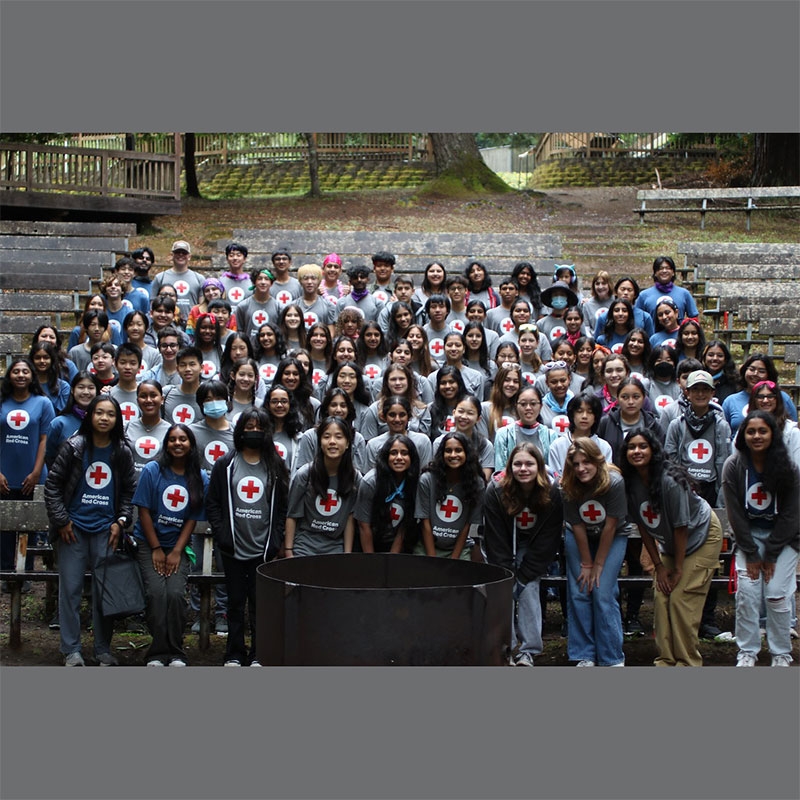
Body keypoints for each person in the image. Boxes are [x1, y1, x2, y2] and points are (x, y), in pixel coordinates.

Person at [44, 396, 136, 666]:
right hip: (73, 530)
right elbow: (52, 487)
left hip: (107, 531)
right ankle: (71, 649)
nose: (104, 418)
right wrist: (62, 521)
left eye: (110, 414)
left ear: (117, 419)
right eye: (99, 413)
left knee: (103, 591)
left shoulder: (122, 451)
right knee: (70, 589)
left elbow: (130, 491)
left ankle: (102, 648)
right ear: (90, 416)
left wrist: (121, 521)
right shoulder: (74, 447)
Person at [621, 428, 722, 666]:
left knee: (681, 598)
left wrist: (677, 569)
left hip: (701, 535)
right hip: (670, 541)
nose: (637, 451)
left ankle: (687, 662)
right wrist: (658, 566)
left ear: (654, 450)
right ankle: (666, 660)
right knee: (662, 594)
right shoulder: (631, 484)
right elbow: (643, 527)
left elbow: (681, 527)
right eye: (631, 447)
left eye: (643, 446)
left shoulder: (670, 481)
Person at [206, 407, 289, 666]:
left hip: (262, 549)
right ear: (240, 430)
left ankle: (258, 653)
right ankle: (234, 652)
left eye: (259, 427)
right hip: (233, 548)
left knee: (259, 603)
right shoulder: (225, 464)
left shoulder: (276, 466)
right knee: (234, 602)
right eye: (248, 426)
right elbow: (213, 504)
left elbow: (282, 508)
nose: (253, 431)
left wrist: (275, 540)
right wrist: (222, 535)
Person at [721, 411, 799, 667]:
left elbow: (791, 514)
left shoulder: (788, 467)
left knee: (776, 595)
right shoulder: (734, 466)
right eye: (751, 431)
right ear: (743, 435)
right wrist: (753, 554)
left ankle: (781, 652)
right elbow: (735, 514)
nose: (756, 436)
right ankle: (747, 651)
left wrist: (772, 554)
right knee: (748, 593)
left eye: (762, 431)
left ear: (772, 434)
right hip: (748, 538)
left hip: (784, 539)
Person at [132, 424, 208, 666]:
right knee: (157, 594)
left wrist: (176, 551)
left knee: (175, 594)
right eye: (173, 439)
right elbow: (142, 511)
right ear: (166, 444)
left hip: (179, 546)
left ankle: (176, 651)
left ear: (191, 444)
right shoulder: (153, 470)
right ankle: (156, 652)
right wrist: (156, 549)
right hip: (150, 543)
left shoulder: (199, 476)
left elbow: (192, 519)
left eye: (183, 439)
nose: (178, 443)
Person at [483, 442, 563, 666]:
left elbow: (549, 538)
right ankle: (505, 647)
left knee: (529, 587)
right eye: (517, 464)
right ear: (509, 467)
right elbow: (495, 537)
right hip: (505, 544)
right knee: (503, 587)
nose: (523, 469)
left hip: (534, 545)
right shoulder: (497, 491)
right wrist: (508, 574)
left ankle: (528, 649)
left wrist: (525, 573)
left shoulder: (551, 491)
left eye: (529, 463)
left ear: (539, 466)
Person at [561, 437, 628, 666]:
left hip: (612, 535)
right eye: (576, 464)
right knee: (580, 587)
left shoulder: (614, 482)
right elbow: (577, 526)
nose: (581, 469)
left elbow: (611, 526)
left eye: (586, 462)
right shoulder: (568, 485)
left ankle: (612, 657)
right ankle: (584, 653)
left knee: (602, 590)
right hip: (580, 536)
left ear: (597, 461)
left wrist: (598, 565)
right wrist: (587, 564)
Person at [1, 357, 56, 580]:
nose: (21, 375)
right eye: (16, 371)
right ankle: (5, 572)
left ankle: (28, 574)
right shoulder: (2, 402)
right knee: (3, 530)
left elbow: (45, 440)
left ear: (32, 375)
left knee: (31, 530)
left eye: (25, 371)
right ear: (9, 375)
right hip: (4, 475)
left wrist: (36, 472)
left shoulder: (43, 403)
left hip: (32, 474)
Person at [285, 416, 361, 557]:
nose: (332, 442)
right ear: (320, 442)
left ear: (348, 443)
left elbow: (350, 518)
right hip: (303, 547)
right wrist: (289, 551)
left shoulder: (355, 478)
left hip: (335, 549)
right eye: (326, 437)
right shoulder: (305, 474)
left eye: (339, 437)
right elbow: (292, 515)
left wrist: (347, 554)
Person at [414, 432, 485, 561]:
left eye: (458, 450)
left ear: (467, 454)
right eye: (448, 451)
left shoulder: (477, 483)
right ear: (442, 454)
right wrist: (433, 560)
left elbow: (466, 526)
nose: (453, 455)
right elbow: (425, 522)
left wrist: (454, 560)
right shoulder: (427, 479)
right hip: (427, 546)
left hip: (458, 548)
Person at [355, 434, 421, 553]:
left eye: (404, 453)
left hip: (398, 543)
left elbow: (405, 525)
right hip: (368, 541)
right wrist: (371, 560)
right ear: (386, 457)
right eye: (394, 453)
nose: (399, 457)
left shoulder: (414, 482)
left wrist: (392, 558)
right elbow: (363, 525)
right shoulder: (370, 482)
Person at [722, 352, 797, 437]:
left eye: (761, 371)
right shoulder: (731, 401)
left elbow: (793, 431)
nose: (755, 374)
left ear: (769, 374)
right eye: (751, 369)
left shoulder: (782, 398)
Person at [494, 386, 560, 471]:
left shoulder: (550, 435)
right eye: (523, 404)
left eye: (533, 404)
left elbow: (554, 472)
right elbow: (500, 471)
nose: (528, 408)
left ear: (540, 406)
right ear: (516, 406)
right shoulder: (504, 434)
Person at [150, 240, 205, 325]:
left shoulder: (199, 278)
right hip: (165, 323)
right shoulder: (160, 277)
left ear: (189, 256)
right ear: (172, 255)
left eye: (184, 253)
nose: (181, 255)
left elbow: (202, 306)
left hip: (191, 325)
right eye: (177, 252)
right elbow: (153, 303)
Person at [29, 341, 70, 414]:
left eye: (46, 357)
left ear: (52, 360)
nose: (42, 361)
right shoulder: (27, 386)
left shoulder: (63, 387)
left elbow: (64, 413)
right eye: (37, 358)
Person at [218, 242, 252, 306]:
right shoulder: (220, 282)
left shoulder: (252, 282)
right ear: (227, 259)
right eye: (231, 255)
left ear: (244, 259)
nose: (235, 258)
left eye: (238, 255)